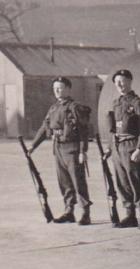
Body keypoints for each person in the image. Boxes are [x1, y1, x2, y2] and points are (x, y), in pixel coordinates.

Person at [29, 76, 92, 225]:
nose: (57, 91)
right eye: (55, 88)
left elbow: (84, 131)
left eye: (61, 87)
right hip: (58, 148)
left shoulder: (75, 107)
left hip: (72, 148)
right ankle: (69, 211)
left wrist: (83, 151)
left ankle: (85, 213)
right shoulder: (54, 108)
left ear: (68, 89)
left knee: (78, 181)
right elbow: (45, 128)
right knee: (64, 182)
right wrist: (33, 146)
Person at [104, 69, 140, 229]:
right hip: (118, 146)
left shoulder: (137, 102)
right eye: (117, 82)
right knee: (122, 182)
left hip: (132, 145)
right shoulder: (116, 103)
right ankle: (130, 215)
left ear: (130, 81)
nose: (120, 84)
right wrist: (110, 148)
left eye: (123, 81)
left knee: (135, 181)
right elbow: (114, 129)